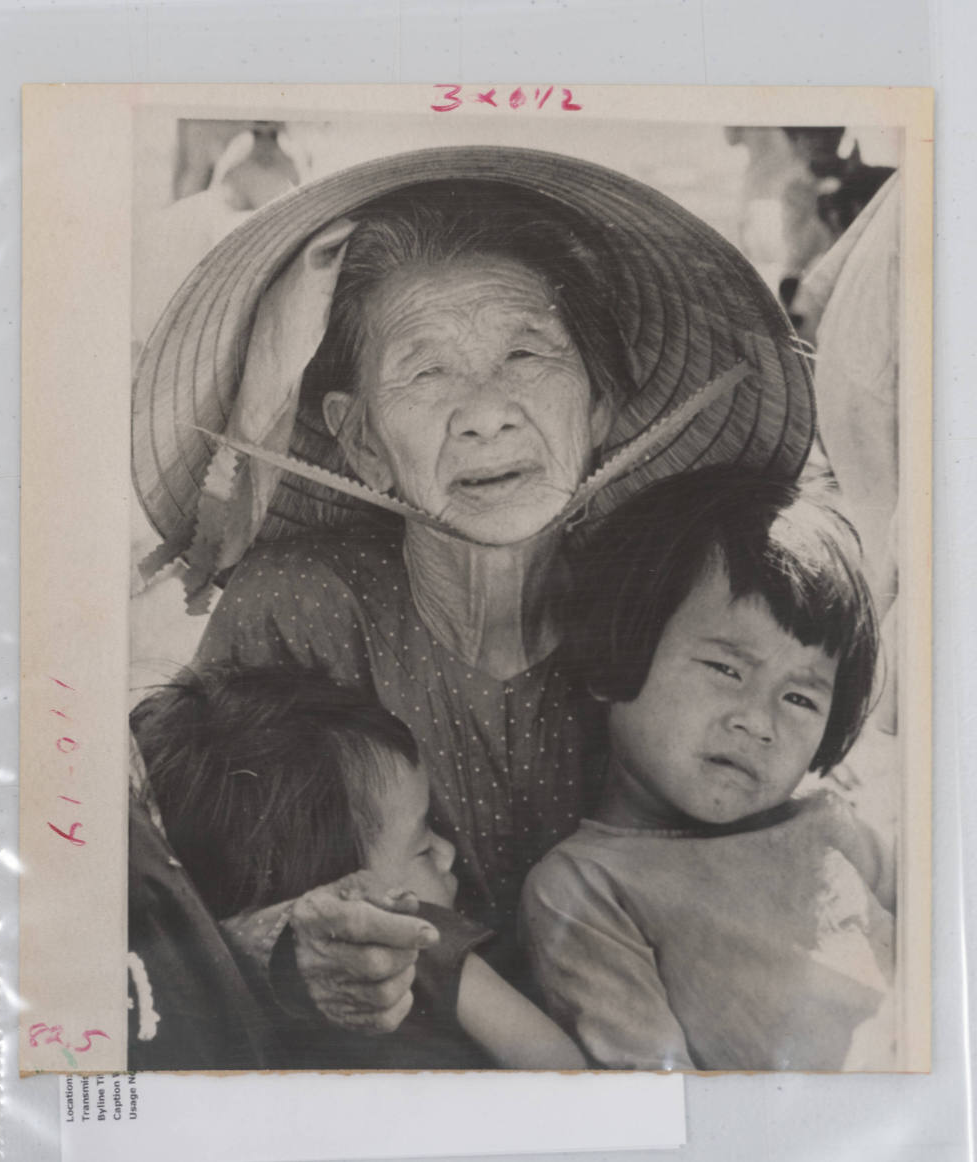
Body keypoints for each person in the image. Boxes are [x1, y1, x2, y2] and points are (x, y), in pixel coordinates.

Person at [131, 147, 817, 1047]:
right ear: (362, 440)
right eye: (425, 372)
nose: (484, 411)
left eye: (528, 353)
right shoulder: (299, 609)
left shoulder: (671, 609)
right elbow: (179, 894)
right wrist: (295, 951)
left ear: (603, 404)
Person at [520, 469, 893, 1070]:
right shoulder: (587, 885)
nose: (759, 721)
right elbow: (663, 1095)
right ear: (618, 649)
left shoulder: (839, 831)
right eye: (726, 669)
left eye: (800, 699)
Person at [133, 665, 585, 1070]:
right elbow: (559, 1070)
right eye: (422, 845)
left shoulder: (214, 1003)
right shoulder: (420, 937)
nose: (448, 852)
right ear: (347, 900)